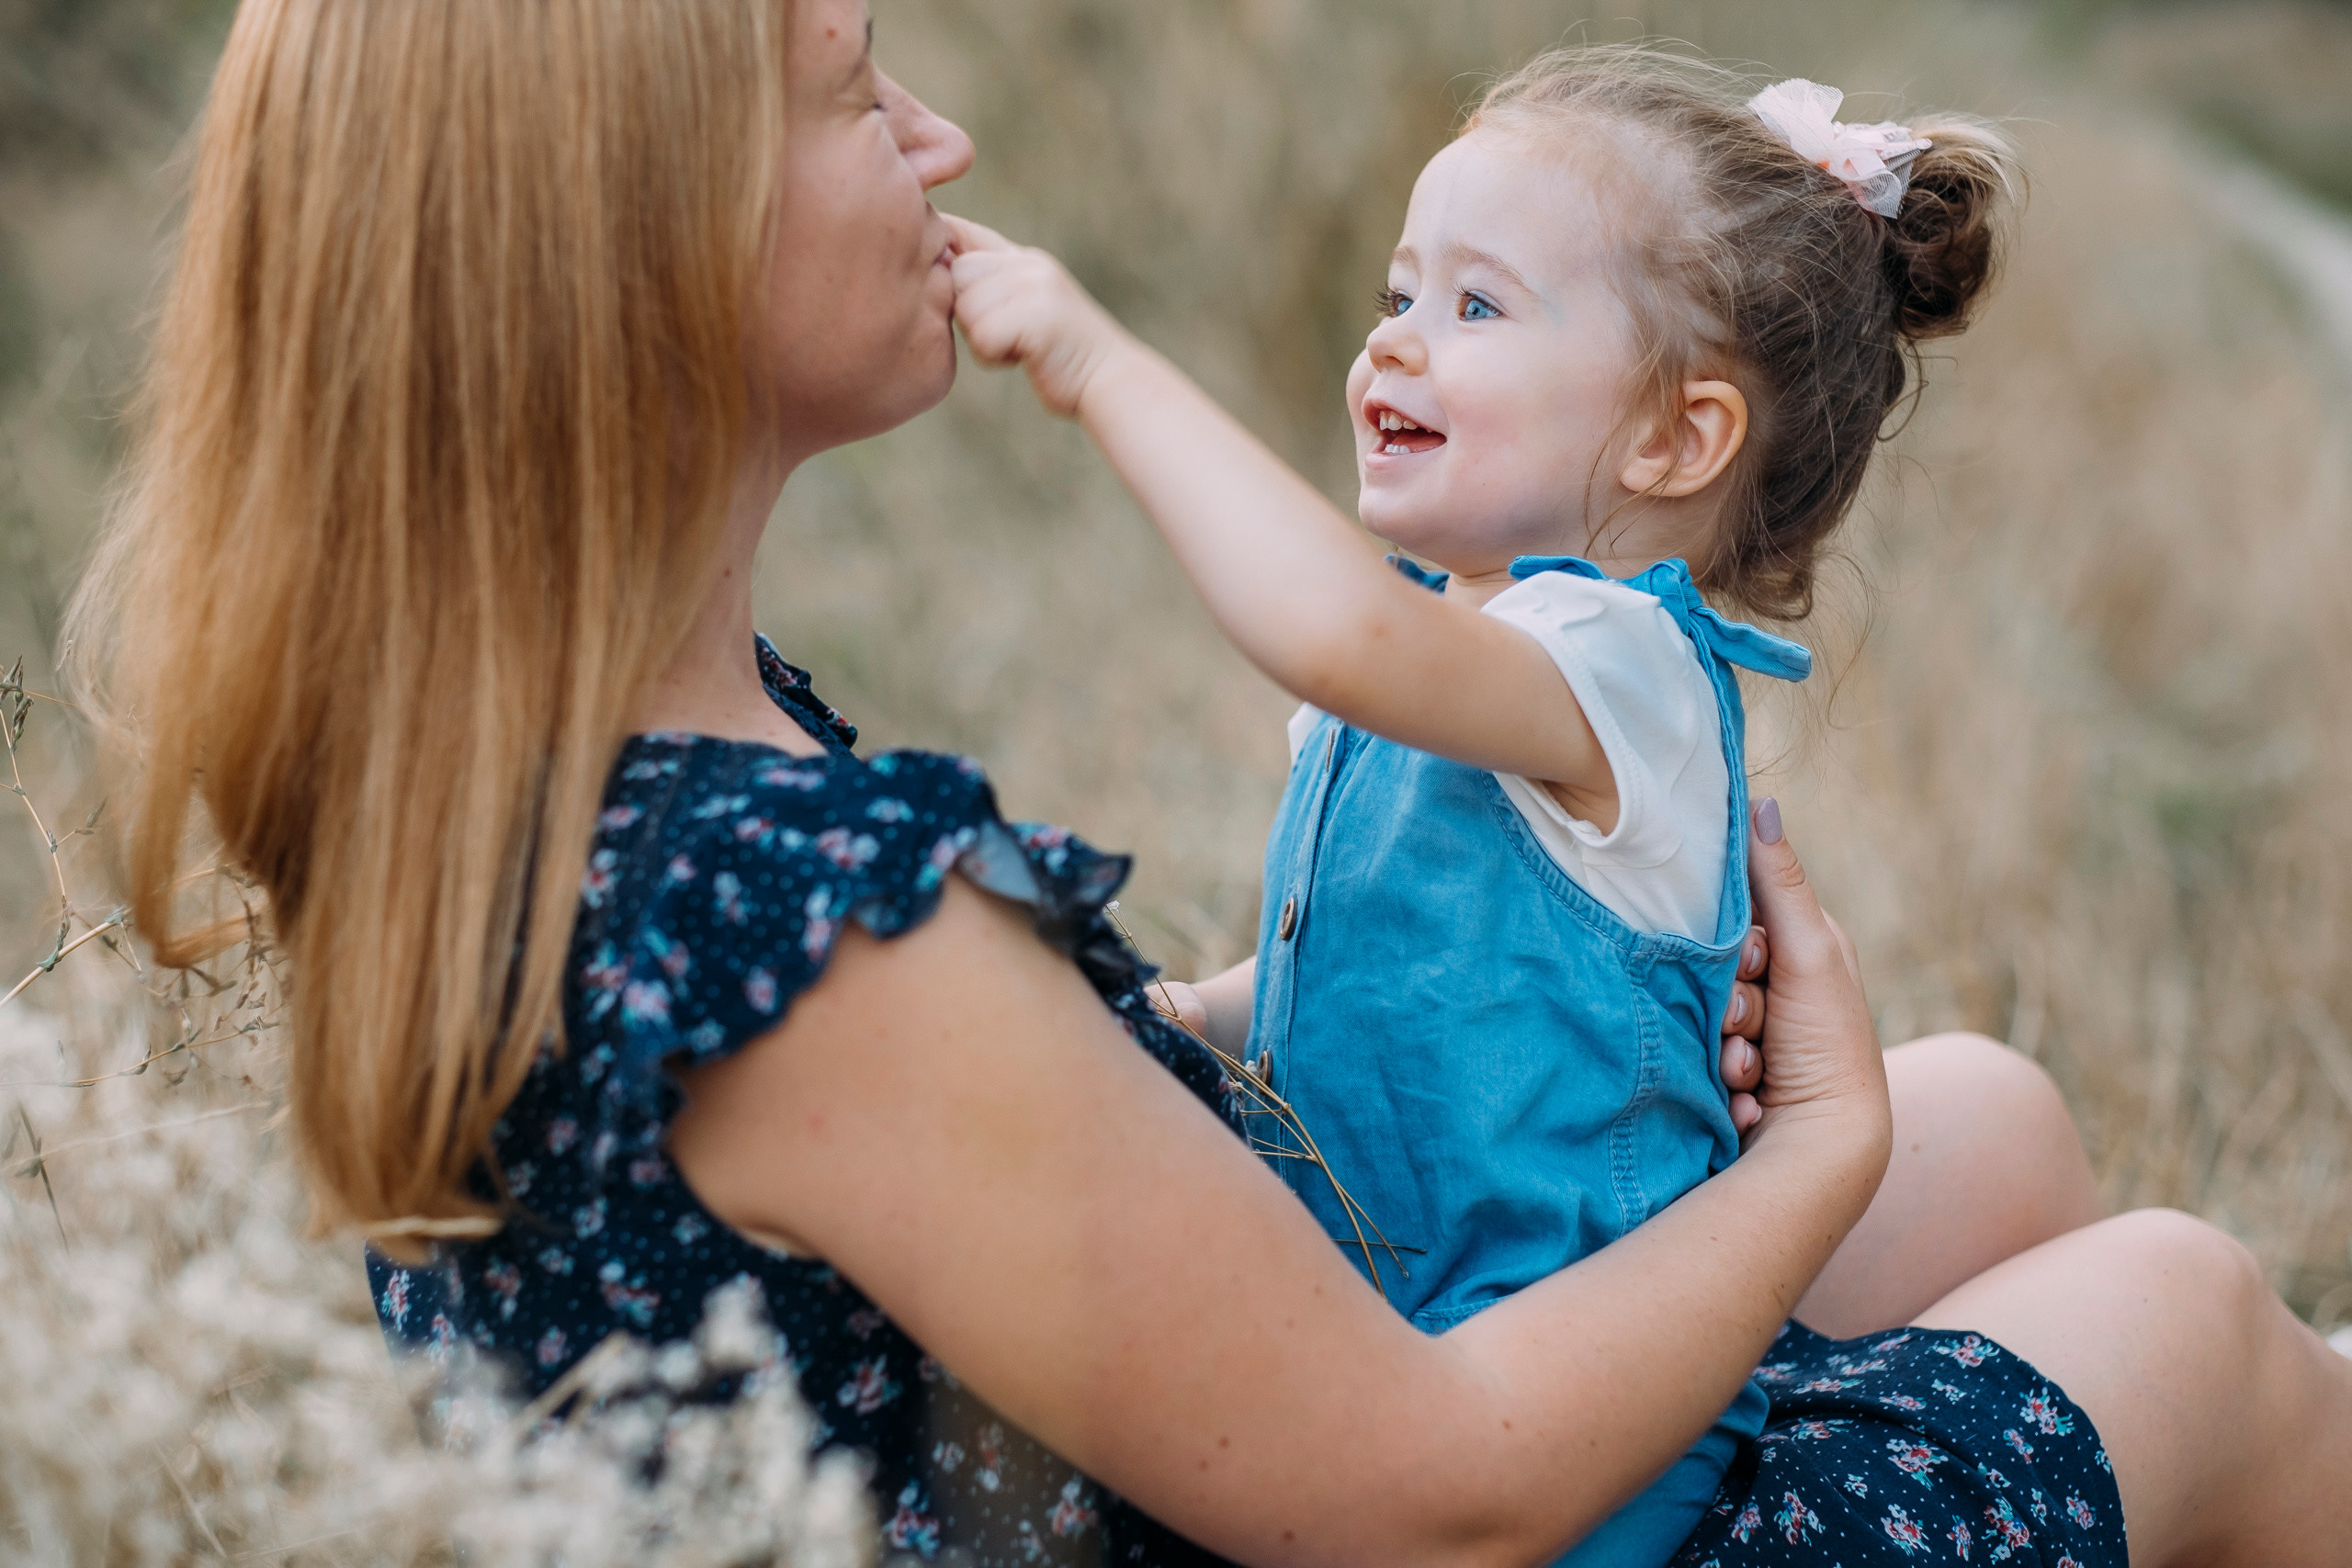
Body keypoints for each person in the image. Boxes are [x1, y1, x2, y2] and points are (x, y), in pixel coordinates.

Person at [65, 3, 2352, 1566]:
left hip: (1266, 1413)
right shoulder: (778, 917)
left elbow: (975, 1150)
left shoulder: (598, 781)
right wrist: (1817, 1143)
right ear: (636, 227)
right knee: (2182, 1311)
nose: (937, 142)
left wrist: (1141, 1027)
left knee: (1998, 1123)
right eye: (855, 93)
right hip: (1426, 1492)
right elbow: (1439, 1494)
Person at [949, 51, 2014, 1565]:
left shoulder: (1620, 663)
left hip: (1582, 1436)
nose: (1394, 342)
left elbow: (1334, 631)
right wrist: (1187, 1017)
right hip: (1394, 1369)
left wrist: (1097, 365)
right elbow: (1367, 973)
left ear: (1674, 440)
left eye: (1475, 307)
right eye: (1398, 294)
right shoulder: (1458, 654)